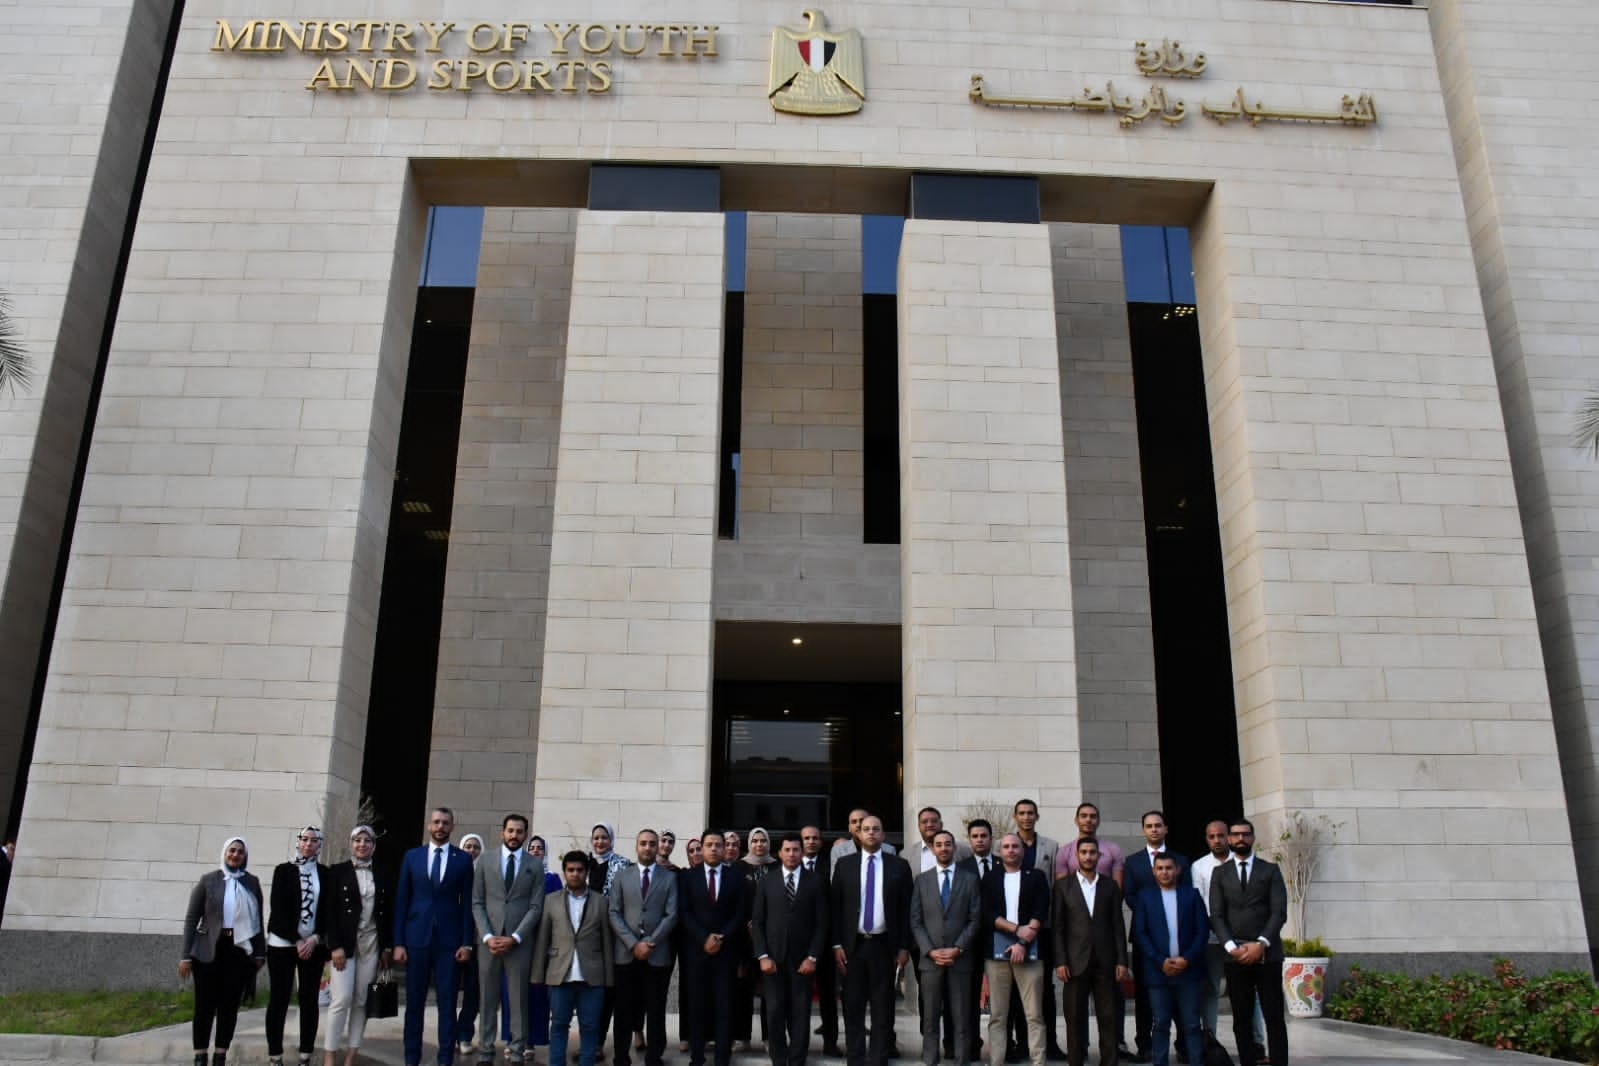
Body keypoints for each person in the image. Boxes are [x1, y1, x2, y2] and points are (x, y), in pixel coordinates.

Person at [393, 807, 476, 1066]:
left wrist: (466, 942)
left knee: (447, 1003)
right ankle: (411, 1058)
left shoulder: (462, 859)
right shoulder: (412, 856)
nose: (440, 827)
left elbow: (467, 904)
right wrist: (398, 942)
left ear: (452, 827)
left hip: (449, 943)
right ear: (429, 826)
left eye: (445, 823)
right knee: (414, 1003)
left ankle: (444, 1059)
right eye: (437, 822)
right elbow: (402, 900)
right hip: (416, 938)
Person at [831, 812, 912, 1066]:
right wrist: (836, 944)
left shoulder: (899, 866)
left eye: (876, 829)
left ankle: (879, 1058)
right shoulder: (844, 865)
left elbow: (907, 910)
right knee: (852, 1005)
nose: (871, 833)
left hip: (884, 946)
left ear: (883, 835)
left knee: (883, 1007)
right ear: (858, 833)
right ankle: (855, 1058)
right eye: (866, 829)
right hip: (853, 947)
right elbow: (835, 908)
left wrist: (904, 947)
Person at [1206, 820, 1288, 1066]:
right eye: (1235, 835)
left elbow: (1279, 912)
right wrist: (1232, 947)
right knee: (1241, 1018)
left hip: (1267, 955)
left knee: (1274, 1016)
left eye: (1245, 834)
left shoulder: (1270, 870)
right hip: (1236, 956)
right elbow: (1216, 915)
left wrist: (1261, 943)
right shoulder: (1220, 873)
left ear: (1252, 838)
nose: (1240, 838)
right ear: (1229, 839)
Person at [180, 837, 267, 1066]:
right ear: (225, 853)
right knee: (204, 1006)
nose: (235, 855)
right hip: (209, 950)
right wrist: (185, 955)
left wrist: (260, 952)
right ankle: (200, 1055)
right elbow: (192, 919)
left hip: (237, 950)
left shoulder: (252, 882)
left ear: (244, 856)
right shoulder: (208, 881)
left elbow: (258, 919)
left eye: (240, 852)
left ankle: (220, 1054)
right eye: (232, 850)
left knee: (229, 1005)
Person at [472, 814, 545, 1065]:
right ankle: (485, 1051)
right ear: (502, 832)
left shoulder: (534, 865)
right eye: (510, 830)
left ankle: (516, 1052)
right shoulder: (485, 860)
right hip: (489, 942)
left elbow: (536, 906)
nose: (514, 835)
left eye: (519, 831)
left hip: (519, 943)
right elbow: (477, 902)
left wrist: (516, 937)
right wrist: (487, 936)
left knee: (518, 1000)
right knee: (487, 999)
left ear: (525, 834)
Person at [533, 850, 616, 1066]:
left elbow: (607, 941)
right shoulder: (551, 901)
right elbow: (543, 939)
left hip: (592, 976)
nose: (575, 874)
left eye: (580, 870)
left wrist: (609, 978)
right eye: (571, 870)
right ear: (564, 872)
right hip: (560, 974)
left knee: (590, 1027)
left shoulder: (601, 902)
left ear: (586, 872)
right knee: (559, 1026)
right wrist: (538, 974)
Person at [1053, 803, 1124, 1058]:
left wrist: (1122, 961)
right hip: (1074, 962)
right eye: (1083, 852)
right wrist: (1060, 961)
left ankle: (1110, 1061)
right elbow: (1058, 927)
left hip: (1106, 961)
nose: (1088, 857)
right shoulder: (1063, 887)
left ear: (1099, 856)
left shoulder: (1109, 886)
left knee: (1109, 1016)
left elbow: (1118, 925)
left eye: (1093, 853)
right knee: (1074, 1018)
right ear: (1077, 856)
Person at [751, 833, 827, 1066]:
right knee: (774, 1012)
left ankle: (797, 1059)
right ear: (779, 853)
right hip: (773, 961)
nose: (792, 854)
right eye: (787, 850)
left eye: (796, 850)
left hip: (803, 961)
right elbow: (758, 922)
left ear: (801, 853)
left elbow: (822, 924)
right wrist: (762, 956)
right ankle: (778, 1058)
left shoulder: (816, 881)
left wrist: (812, 957)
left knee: (800, 1013)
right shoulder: (767, 881)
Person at [909, 830, 980, 1066]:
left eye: (948, 844)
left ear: (954, 848)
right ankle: (931, 1058)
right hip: (930, 960)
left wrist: (958, 948)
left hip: (960, 958)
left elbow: (975, 919)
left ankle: (962, 1059)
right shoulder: (922, 880)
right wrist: (929, 950)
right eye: (938, 845)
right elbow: (915, 921)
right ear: (932, 849)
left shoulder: (970, 879)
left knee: (961, 1015)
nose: (943, 848)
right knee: (930, 1015)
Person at [681, 828, 751, 1066]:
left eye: (718, 845)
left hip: (726, 951)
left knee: (724, 1005)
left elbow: (740, 913)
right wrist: (704, 938)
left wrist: (721, 937)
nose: (713, 849)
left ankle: (722, 1057)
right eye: (709, 845)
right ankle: (697, 1057)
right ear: (701, 848)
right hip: (697, 951)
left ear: (724, 848)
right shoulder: (688, 877)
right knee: (697, 1006)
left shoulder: (737, 877)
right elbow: (685, 912)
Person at [1123, 812, 1188, 1064]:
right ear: (1143, 830)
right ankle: (1145, 1045)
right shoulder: (1133, 862)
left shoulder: (1180, 860)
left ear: (1165, 828)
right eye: (1149, 826)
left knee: (1180, 992)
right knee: (1144, 993)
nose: (1154, 830)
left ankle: (1183, 1045)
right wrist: (1153, 914)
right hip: (1145, 937)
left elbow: (1187, 894)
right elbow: (1129, 895)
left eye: (1158, 825)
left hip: (1177, 936)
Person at [325, 825, 393, 1066]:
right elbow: (329, 912)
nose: (362, 844)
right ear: (351, 843)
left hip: (371, 943)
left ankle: (352, 1054)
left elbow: (388, 912)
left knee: (362, 1000)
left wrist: (387, 947)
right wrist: (334, 946)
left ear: (373, 845)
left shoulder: (383, 873)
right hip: (345, 944)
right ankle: (330, 1053)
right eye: (357, 840)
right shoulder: (337, 871)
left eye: (367, 840)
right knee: (341, 998)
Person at [610, 829, 679, 1066]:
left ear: (657, 847)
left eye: (652, 844)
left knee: (656, 1009)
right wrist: (633, 944)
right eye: (643, 843)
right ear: (636, 846)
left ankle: (654, 1056)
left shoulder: (669, 878)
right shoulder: (622, 876)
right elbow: (614, 912)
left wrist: (650, 942)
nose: (648, 848)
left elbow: (671, 914)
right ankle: (621, 1056)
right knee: (623, 1009)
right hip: (626, 954)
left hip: (656, 953)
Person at [1131, 855, 1207, 1066]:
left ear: (1178, 870)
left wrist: (1187, 959)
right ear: (1154, 872)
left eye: (1168, 868)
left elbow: (1202, 931)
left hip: (1188, 972)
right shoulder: (1145, 897)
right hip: (1158, 972)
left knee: (1192, 1025)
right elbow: (1140, 933)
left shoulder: (1191, 895)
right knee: (1161, 1024)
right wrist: (1160, 960)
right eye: (1160, 868)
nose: (1164, 872)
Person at [265, 826, 331, 1066]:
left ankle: (305, 1055)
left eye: (314, 840)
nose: (308, 844)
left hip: (313, 946)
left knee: (309, 1000)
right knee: (279, 998)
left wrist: (314, 938)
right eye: (304, 839)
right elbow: (278, 908)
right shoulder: (283, 871)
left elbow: (327, 910)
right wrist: (297, 939)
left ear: (319, 845)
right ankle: (275, 1055)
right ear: (298, 842)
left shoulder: (325, 873)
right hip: (282, 944)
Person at [981, 834, 1049, 1066]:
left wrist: (1022, 942)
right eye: (1006, 847)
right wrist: (1016, 929)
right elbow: (987, 913)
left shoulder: (1036, 876)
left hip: (1030, 951)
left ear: (1023, 850)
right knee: (998, 1015)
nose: (1011, 850)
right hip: (996, 954)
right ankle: (996, 1062)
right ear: (999, 851)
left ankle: (1038, 1062)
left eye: (1015, 846)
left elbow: (1041, 910)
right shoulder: (990, 878)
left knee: (1034, 1014)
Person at [1008, 801, 1063, 1063]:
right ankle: (1021, 1043)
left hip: (1043, 927)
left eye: (1030, 813)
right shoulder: (1005, 844)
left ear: (1037, 816)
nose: (1026, 817)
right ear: (1015, 817)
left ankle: (1049, 1042)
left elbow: (1054, 887)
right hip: (1012, 929)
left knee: (1045, 989)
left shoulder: (1050, 846)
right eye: (1022, 813)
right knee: (1016, 989)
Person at [956, 819, 997, 1064]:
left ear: (991, 838)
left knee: (1002, 998)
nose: (980, 840)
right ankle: (971, 1045)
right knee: (969, 997)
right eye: (975, 836)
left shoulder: (1003, 864)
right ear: (969, 840)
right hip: (970, 942)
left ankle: (1005, 1045)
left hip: (998, 939)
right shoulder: (961, 867)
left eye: (984, 836)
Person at [800, 824, 841, 1057]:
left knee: (828, 996)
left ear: (821, 842)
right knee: (799, 997)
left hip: (825, 941)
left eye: (815, 838)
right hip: (797, 942)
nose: (811, 841)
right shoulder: (791, 864)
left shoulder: (831, 866)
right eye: (807, 838)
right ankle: (799, 1043)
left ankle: (830, 1042)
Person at [1188, 821, 1232, 1038]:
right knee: (1212, 988)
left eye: (1221, 835)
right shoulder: (1199, 866)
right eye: (1212, 836)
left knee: (1247, 989)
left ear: (1228, 837)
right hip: (1212, 933)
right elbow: (1200, 901)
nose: (1217, 840)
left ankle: (1257, 1040)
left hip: (1240, 933)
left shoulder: (1240, 862)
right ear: (1207, 839)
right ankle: (1210, 1039)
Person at [736, 827, 777, 1051]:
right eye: (755, 841)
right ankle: (742, 1036)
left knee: (769, 990)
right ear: (749, 843)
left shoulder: (776, 866)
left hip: (771, 937)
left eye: (763, 841)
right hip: (744, 938)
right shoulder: (739, 867)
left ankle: (769, 1037)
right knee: (743, 988)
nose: (759, 845)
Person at [525, 836, 563, 1063]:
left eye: (540, 848)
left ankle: (533, 1039)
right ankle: (514, 1038)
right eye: (532, 847)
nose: (536, 851)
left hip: (543, 942)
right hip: (519, 940)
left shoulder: (552, 878)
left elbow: (559, 910)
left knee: (538, 993)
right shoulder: (519, 874)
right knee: (515, 993)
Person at [456, 833, 486, 1059]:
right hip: (452, 940)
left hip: (477, 942)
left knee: (473, 992)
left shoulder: (485, 875)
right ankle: (449, 1035)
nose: (472, 850)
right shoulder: (453, 872)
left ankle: (465, 1034)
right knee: (448, 992)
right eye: (468, 846)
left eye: (476, 847)